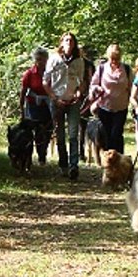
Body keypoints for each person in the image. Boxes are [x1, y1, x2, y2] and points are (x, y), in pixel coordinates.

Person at [43, 32, 90, 180]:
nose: (69, 43)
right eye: (66, 40)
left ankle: (73, 166)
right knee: (60, 136)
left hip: (72, 102)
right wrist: (53, 97)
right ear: (61, 43)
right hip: (57, 101)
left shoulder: (79, 61)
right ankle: (63, 164)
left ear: (75, 44)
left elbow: (82, 82)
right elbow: (45, 81)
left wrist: (79, 93)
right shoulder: (54, 59)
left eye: (71, 40)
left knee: (73, 134)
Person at [88, 44, 132, 155]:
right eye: (112, 58)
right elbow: (93, 85)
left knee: (116, 134)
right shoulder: (102, 68)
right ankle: (109, 162)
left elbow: (132, 87)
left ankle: (119, 160)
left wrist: (135, 103)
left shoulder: (126, 69)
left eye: (117, 58)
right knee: (107, 136)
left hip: (121, 108)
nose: (114, 61)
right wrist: (97, 89)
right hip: (104, 107)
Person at [19, 46, 53, 165]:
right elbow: (23, 91)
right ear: (35, 60)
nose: (41, 62)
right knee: (36, 131)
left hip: (48, 105)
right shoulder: (29, 73)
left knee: (47, 131)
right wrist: (21, 108)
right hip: (33, 105)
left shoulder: (51, 73)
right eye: (38, 59)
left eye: (43, 59)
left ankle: (43, 153)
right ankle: (34, 156)